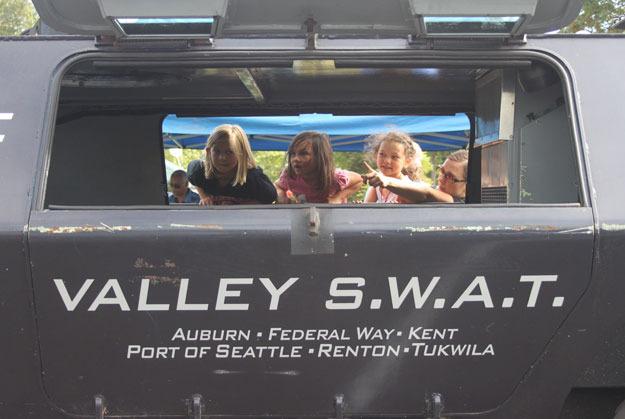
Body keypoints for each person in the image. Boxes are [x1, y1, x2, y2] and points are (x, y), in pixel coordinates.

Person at [187, 124, 277, 205]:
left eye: (230, 152)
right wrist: (204, 196)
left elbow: (270, 197)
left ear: (242, 154)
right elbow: (196, 179)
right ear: (208, 152)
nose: (222, 157)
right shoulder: (198, 172)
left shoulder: (253, 179)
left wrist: (242, 204)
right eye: (217, 151)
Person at [274, 131, 363, 204]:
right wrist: (281, 195)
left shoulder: (334, 177)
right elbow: (277, 185)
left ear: (319, 157)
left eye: (304, 153)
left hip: (332, 217)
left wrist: (338, 197)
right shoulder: (290, 176)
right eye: (293, 154)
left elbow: (358, 180)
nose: (295, 159)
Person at [362, 148, 468, 204]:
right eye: (441, 171)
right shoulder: (434, 189)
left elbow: (427, 193)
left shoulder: (457, 202)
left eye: (449, 177)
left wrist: (386, 181)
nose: (440, 179)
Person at [362, 132, 428, 204]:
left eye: (394, 157)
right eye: (382, 154)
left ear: (407, 161)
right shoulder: (376, 185)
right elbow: (367, 208)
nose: (387, 161)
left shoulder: (406, 186)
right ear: (376, 155)